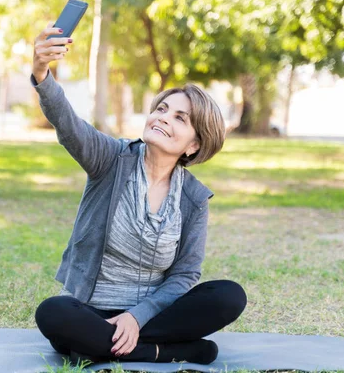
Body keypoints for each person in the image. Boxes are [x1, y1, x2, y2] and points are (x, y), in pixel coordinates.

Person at [30, 21, 247, 365]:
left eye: (180, 117)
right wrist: (42, 71)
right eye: (161, 109)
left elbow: (185, 275)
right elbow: (68, 123)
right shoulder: (110, 159)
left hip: (154, 315)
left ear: (194, 144)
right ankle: (167, 352)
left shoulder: (193, 198)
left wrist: (137, 316)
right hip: (94, 311)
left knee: (229, 296)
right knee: (53, 313)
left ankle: (99, 346)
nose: (163, 118)